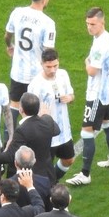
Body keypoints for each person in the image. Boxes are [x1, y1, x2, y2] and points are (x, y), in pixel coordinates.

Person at [66, 8, 109, 185]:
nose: (89, 27)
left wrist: (87, 62)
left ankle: (85, 174)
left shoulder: (101, 44)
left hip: (97, 93)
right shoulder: (104, 37)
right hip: (106, 91)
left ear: (102, 22)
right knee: (107, 123)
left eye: (93, 24)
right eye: (87, 24)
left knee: (86, 132)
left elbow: (91, 71)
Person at [0, 92, 60, 184]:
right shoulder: (47, 121)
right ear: (38, 109)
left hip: (29, 179)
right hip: (48, 176)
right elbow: (57, 130)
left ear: (21, 109)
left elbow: (9, 156)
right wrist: (46, 115)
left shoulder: (22, 130)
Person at [5, 0, 56, 122]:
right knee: (37, 108)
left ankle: (8, 140)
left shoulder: (17, 12)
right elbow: (48, 52)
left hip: (18, 72)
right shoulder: (48, 22)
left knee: (14, 105)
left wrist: (10, 46)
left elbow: (7, 35)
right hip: (36, 75)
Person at [27, 48, 76, 180]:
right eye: (48, 67)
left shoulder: (63, 75)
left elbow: (72, 94)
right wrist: (40, 114)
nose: (53, 70)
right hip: (46, 134)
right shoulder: (35, 85)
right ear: (42, 64)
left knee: (69, 160)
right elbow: (29, 112)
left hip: (64, 130)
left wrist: (70, 98)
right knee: (43, 168)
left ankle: (53, 182)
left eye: (55, 65)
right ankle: (48, 187)